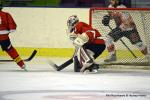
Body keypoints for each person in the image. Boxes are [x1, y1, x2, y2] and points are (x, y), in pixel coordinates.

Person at [0, 4, 27, 71]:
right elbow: (12, 27)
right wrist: (9, 30)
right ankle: (21, 64)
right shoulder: (6, 14)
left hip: (4, 36)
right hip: (3, 37)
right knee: (11, 50)